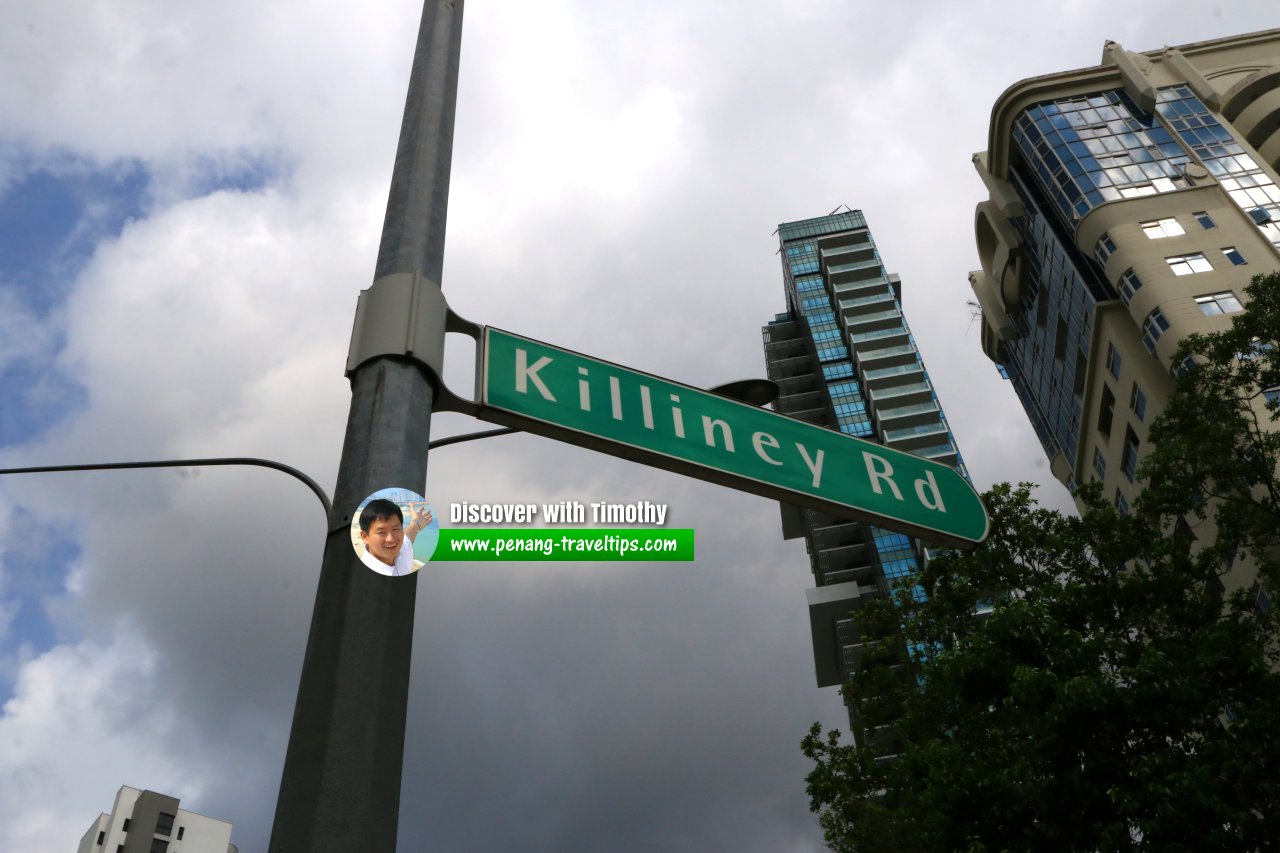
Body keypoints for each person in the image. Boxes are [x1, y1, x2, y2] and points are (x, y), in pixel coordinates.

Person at [357, 498, 432, 577]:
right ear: (365, 537)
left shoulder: (401, 551)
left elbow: (408, 535)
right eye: (381, 532)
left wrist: (416, 523)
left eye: (395, 529)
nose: (391, 539)